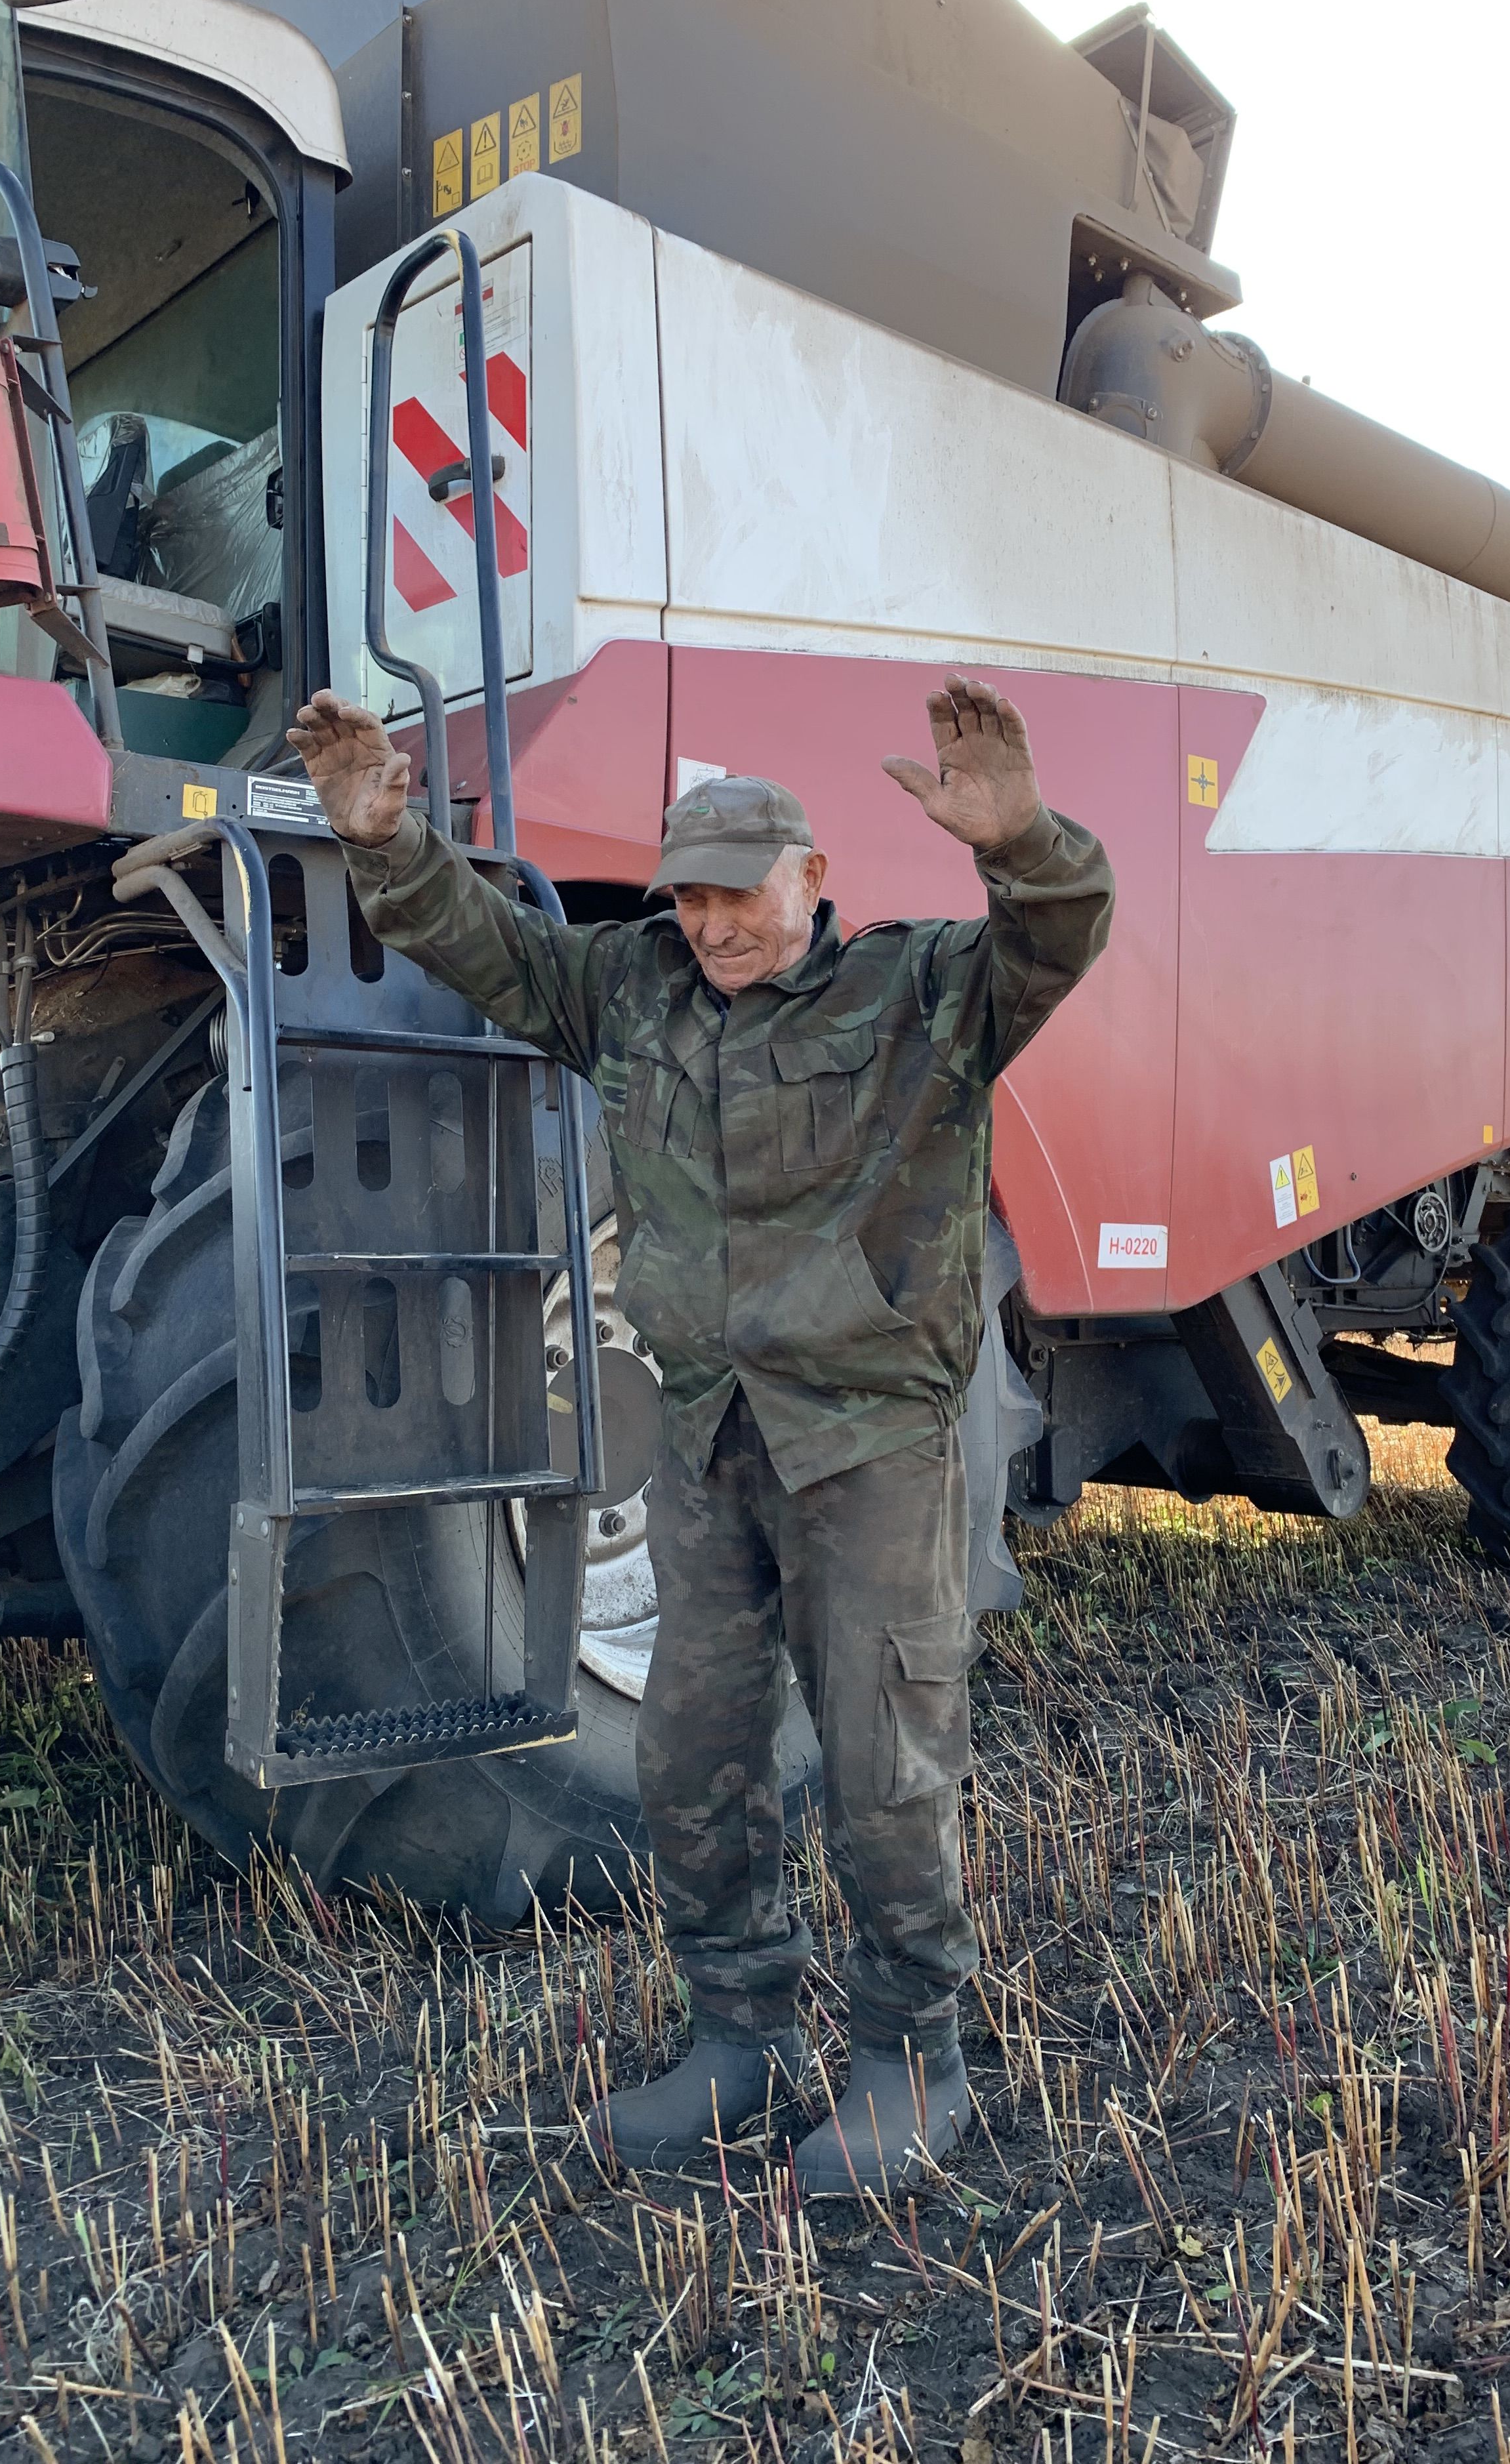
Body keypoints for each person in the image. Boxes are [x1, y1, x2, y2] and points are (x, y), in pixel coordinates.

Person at [287, 675, 1114, 2194]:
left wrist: (1024, 843)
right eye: (692, 898)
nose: (715, 925)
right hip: (709, 1437)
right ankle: (738, 2038)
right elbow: (489, 948)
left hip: (867, 1442)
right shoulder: (636, 986)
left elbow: (1057, 937)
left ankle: (910, 2058)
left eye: (740, 895)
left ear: (813, 879)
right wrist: (388, 841)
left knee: (884, 1764)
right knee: (695, 1755)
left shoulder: (919, 993)